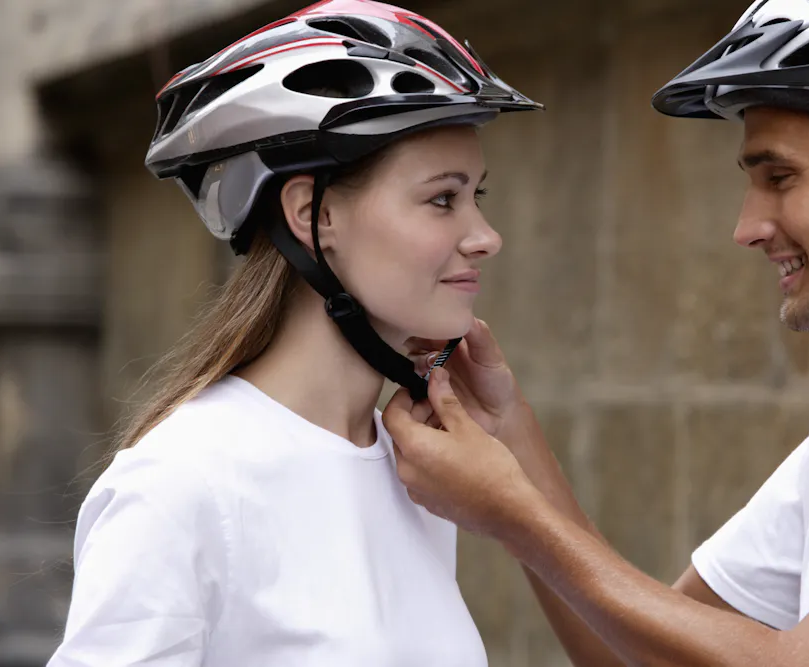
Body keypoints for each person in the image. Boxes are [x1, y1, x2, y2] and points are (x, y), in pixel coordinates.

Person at [383, 0, 809, 665]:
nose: (747, 226)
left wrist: (514, 516)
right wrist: (509, 435)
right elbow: (638, 654)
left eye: (779, 177)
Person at [47, 1, 541, 665]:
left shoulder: (414, 470)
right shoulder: (182, 483)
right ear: (313, 214)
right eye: (442, 199)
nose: (486, 237)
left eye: (477, 196)